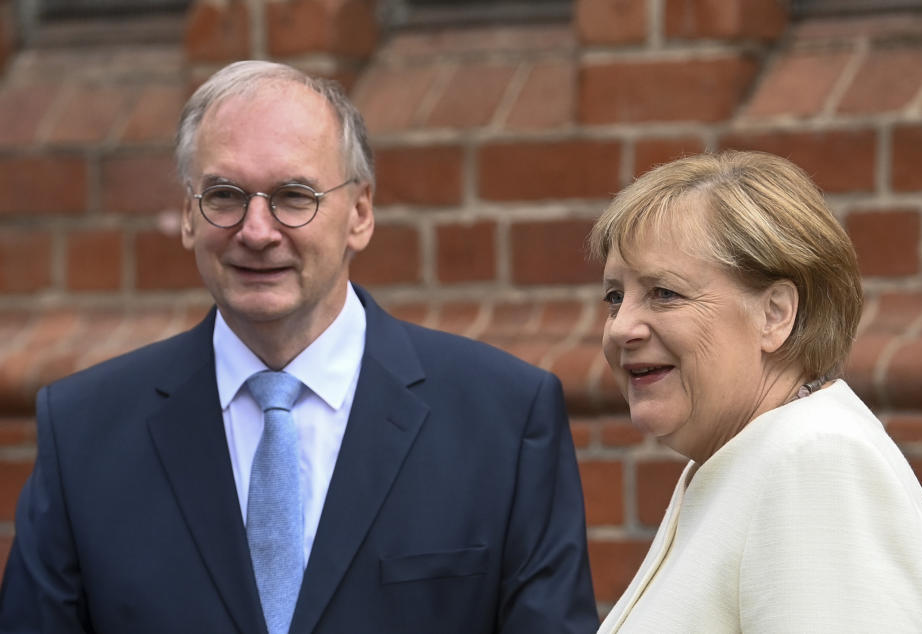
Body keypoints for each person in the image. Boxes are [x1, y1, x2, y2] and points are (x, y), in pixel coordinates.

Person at [0, 60, 598, 634]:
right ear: (188, 216)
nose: (257, 232)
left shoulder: (503, 418)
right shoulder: (83, 433)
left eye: (293, 196)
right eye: (225, 195)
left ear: (359, 214)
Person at [589, 150, 922, 633]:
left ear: (775, 314)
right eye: (616, 297)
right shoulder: (744, 458)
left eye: (664, 293)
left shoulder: (818, 462)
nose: (621, 328)